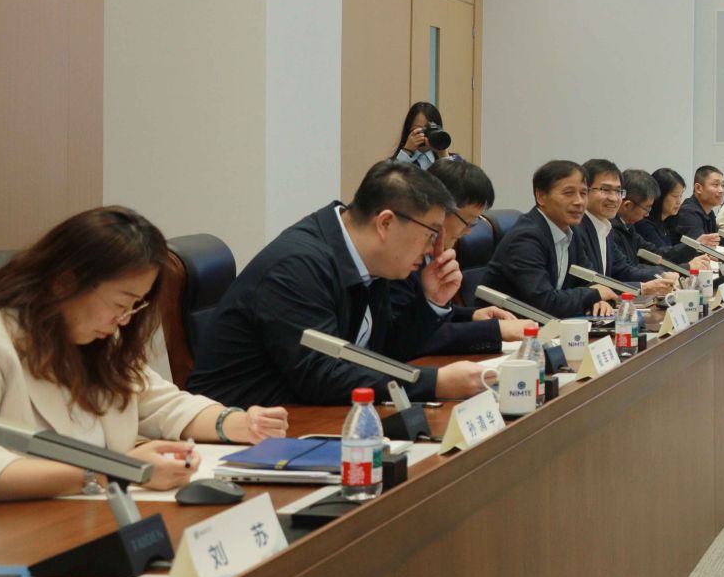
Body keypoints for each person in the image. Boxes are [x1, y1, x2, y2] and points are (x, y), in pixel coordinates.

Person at [0, 208, 288, 500]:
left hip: (95, 513)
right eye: (120, 304)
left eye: (135, 306)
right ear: (64, 283)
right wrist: (119, 471)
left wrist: (238, 424)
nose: (124, 320)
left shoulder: (99, 341)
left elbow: (162, 403)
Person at [190, 162, 495, 406]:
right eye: (431, 234)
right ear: (386, 223)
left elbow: (385, 354)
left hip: (307, 416)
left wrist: (430, 302)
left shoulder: (372, 261)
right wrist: (434, 383)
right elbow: (321, 376)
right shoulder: (297, 266)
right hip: (238, 433)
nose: (434, 248)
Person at [421, 158, 535, 355]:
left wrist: (474, 315)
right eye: (469, 221)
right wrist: (495, 330)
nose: (468, 231)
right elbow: (410, 336)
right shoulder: (401, 259)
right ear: (438, 209)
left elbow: (429, 316)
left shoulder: (437, 252)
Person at [488, 160, 623, 318]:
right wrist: (593, 295)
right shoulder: (526, 238)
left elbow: (588, 280)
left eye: (583, 193)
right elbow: (544, 303)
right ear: (541, 196)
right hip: (512, 327)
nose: (579, 202)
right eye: (568, 193)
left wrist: (598, 301)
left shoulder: (571, 231)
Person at [571, 159, 677, 291]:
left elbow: (623, 270)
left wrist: (662, 276)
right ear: (584, 190)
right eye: (605, 189)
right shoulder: (575, 230)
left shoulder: (605, 228)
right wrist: (642, 288)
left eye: (618, 191)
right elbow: (589, 283)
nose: (614, 198)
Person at [668, 166, 724, 263]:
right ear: (698, 188)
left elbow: (720, 241)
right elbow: (701, 248)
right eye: (716, 185)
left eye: (723, 185)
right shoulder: (688, 212)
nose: (721, 190)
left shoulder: (709, 212)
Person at [616, 168, 667, 265]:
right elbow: (626, 269)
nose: (647, 214)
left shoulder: (628, 227)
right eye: (647, 208)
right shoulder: (611, 230)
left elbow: (655, 252)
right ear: (627, 205)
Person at [390, 102, 459, 171]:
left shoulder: (455, 161)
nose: (425, 136)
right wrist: (406, 151)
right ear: (408, 131)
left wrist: (443, 156)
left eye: (430, 130)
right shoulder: (396, 161)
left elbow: (454, 177)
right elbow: (393, 175)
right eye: (420, 130)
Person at [646, 167, 687, 251]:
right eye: (675, 196)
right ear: (659, 196)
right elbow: (662, 254)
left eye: (681, 195)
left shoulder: (669, 221)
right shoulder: (645, 224)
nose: (679, 201)